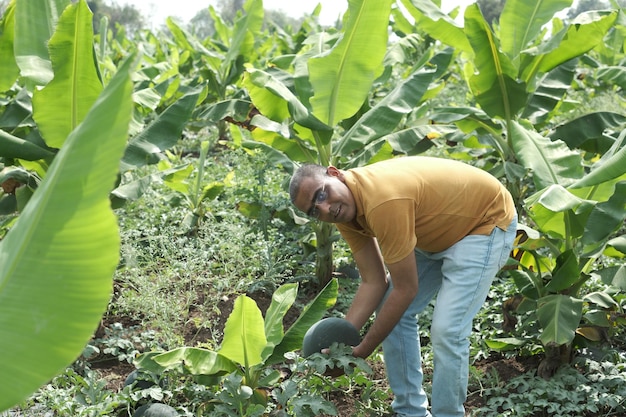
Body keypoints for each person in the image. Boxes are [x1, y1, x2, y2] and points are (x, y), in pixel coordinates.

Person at [289, 156, 517, 417]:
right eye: (315, 211)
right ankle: (410, 411)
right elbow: (373, 281)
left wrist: (362, 350)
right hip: (436, 230)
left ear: (335, 173)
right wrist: (342, 343)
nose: (326, 209)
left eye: (322, 194)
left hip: (483, 222)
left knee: (447, 330)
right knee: (390, 311)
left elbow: (406, 289)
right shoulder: (345, 211)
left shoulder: (382, 201)